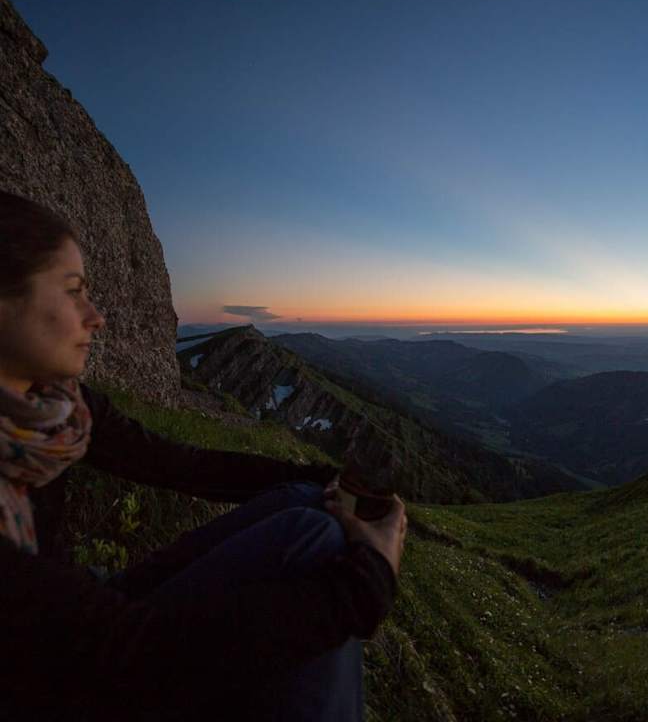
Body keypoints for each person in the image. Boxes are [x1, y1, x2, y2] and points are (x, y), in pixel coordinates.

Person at [0, 189, 408, 721]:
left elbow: (178, 465)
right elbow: (137, 654)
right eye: (73, 291)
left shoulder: (56, 412)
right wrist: (365, 585)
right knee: (323, 548)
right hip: (60, 677)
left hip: (86, 615)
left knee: (313, 506)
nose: (95, 317)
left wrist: (326, 478)